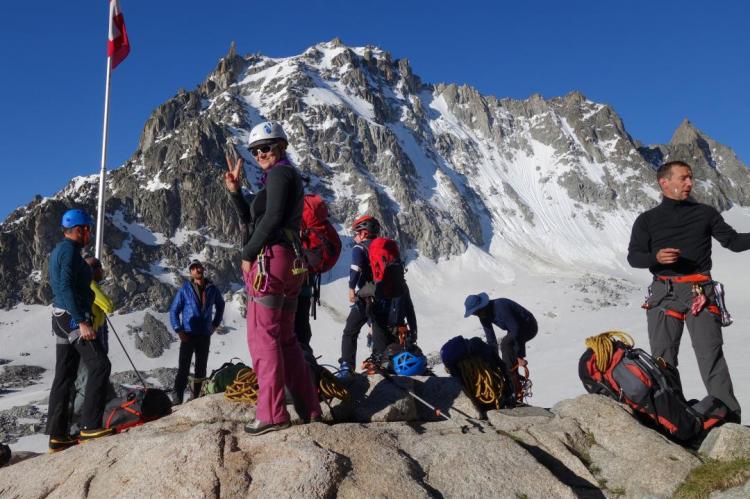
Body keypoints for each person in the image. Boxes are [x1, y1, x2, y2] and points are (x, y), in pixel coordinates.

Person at [628, 160, 749, 422]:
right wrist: (656, 257)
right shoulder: (647, 220)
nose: (690, 183)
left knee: (711, 355)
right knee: (663, 360)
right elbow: (634, 258)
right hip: (663, 293)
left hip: (699, 291)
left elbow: (734, 242)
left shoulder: (705, 213)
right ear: (664, 182)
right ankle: (673, 420)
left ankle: (729, 422)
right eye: (683, 178)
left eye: (690, 178)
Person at [224, 121, 321, 435]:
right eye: (254, 150)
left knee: (262, 337)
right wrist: (237, 193)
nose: (259, 154)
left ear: (281, 146)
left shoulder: (279, 174)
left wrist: (249, 254)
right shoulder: (284, 176)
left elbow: (273, 218)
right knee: (286, 340)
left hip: (270, 262)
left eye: (265, 147)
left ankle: (271, 413)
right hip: (291, 264)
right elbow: (254, 220)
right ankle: (310, 410)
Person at [47, 209, 114, 452]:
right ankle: (89, 426)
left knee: (65, 375)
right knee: (100, 365)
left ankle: (58, 435)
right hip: (72, 318)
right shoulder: (68, 253)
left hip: (61, 317)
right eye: (87, 229)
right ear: (79, 229)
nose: (89, 233)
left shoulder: (63, 251)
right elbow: (65, 287)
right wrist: (81, 321)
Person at [168, 259, 225, 404]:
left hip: (204, 334)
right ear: (191, 272)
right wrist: (178, 330)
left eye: (198, 267)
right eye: (194, 268)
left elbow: (221, 304)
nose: (197, 270)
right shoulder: (185, 289)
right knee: (183, 369)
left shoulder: (212, 288)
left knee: (201, 368)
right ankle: (177, 400)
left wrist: (215, 324)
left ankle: (197, 398)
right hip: (188, 333)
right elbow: (174, 310)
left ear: (202, 269)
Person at [463, 293, 538, 394]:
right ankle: (513, 379)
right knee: (507, 351)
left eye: (476, 312)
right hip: (515, 330)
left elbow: (516, 330)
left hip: (529, 326)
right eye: (474, 313)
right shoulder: (483, 315)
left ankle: (513, 385)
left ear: (482, 306)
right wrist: (494, 361)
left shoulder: (501, 306)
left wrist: (520, 356)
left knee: (505, 344)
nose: (476, 315)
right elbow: (491, 340)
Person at [337, 215, 381, 376]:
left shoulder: (359, 248)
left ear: (363, 233)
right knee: (379, 329)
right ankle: (380, 362)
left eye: (356, 233)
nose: (355, 236)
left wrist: (350, 289)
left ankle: (347, 367)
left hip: (365, 295)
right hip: (384, 296)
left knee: (350, 331)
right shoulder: (382, 246)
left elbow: (355, 268)